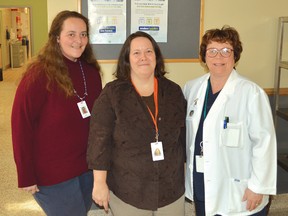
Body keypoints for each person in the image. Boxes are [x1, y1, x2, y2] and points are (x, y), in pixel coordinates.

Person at [11, 10, 102, 216]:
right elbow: (20, 126)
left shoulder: (91, 71)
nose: (78, 40)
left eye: (83, 34)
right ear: (56, 37)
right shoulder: (39, 74)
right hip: (53, 174)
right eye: (71, 34)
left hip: (86, 168)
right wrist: (25, 175)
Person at [87, 31, 186, 216]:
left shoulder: (173, 91)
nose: (143, 57)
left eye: (149, 51)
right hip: (129, 190)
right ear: (127, 59)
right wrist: (99, 183)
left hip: (170, 188)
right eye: (136, 53)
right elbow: (99, 140)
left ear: (156, 56)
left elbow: (183, 137)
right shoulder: (112, 94)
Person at [183, 26, 277, 216]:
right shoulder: (192, 88)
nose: (219, 57)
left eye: (226, 51)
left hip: (240, 191)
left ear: (235, 56)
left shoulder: (251, 92)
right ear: (204, 56)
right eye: (212, 51)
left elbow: (264, 144)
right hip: (202, 182)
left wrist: (258, 187)